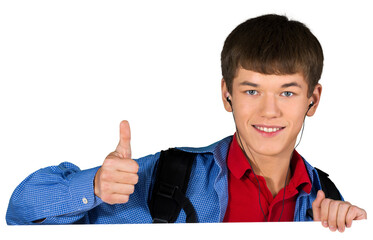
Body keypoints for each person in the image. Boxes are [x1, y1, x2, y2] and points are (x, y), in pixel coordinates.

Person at [6, 14, 367, 232]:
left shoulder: (328, 201)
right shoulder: (169, 177)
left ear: (313, 99)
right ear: (227, 94)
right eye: (252, 90)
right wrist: (97, 185)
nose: (269, 111)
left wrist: (346, 231)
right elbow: (20, 211)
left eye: (287, 93)